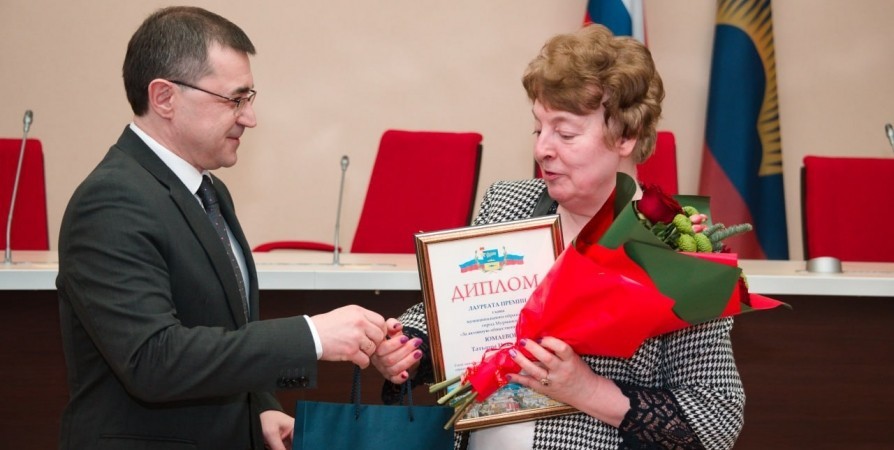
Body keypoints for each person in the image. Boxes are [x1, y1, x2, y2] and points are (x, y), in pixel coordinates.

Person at [372, 24, 744, 449]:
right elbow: (452, 310)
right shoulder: (507, 203)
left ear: (626, 136)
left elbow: (717, 419)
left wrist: (587, 389)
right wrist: (409, 345)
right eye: (539, 129)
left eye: (565, 133)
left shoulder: (676, 246)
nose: (542, 149)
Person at [56, 7, 390, 450]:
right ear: (164, 97)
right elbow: (153, 360)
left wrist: (260, 404)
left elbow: (224, 330)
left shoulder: (208, 191)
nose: (249, 117)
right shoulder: (112, 200)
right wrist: (311, 336)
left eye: (249, 98)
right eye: (235, 100)